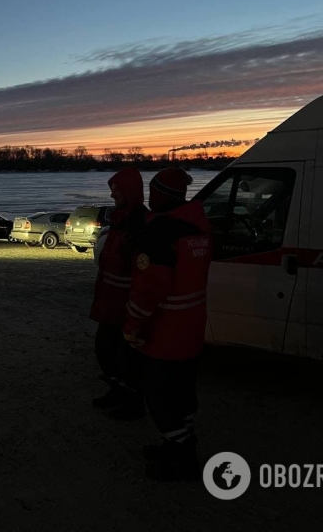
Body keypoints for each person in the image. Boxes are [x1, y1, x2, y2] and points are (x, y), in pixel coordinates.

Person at [121, 167, 212, 481]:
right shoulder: (197, 226)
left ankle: (180, 458)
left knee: (161, 397)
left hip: (164, 334)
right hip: (191, 330)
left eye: (154, 190)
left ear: (161, 194)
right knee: (183, 394)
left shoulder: (161, 233)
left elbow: (148, 290)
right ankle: (177, 445)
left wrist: (132, 325)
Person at [89, 167, 149, 420]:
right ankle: (116, 389)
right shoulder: (120, 217)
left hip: (126, 304)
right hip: (110, 300)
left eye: (116, 191)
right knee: (105, 349)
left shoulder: (140, 222)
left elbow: (143, 271)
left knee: (128, 357)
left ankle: (133, 402)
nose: (112, 196)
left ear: (128, 191)